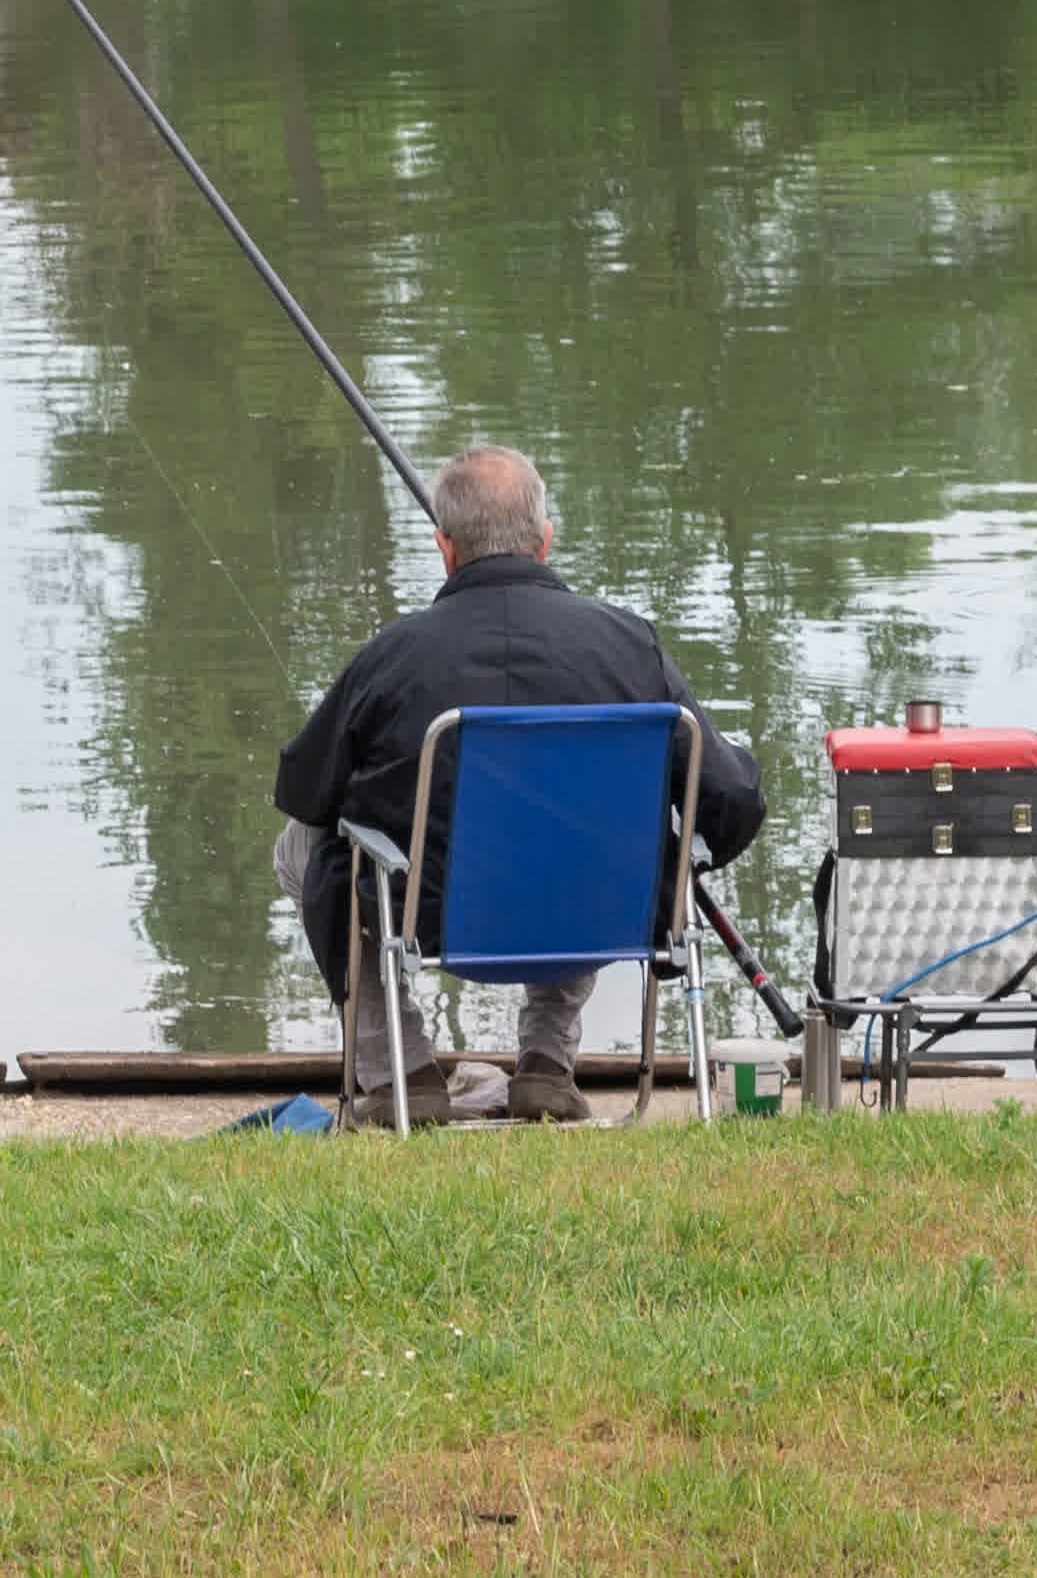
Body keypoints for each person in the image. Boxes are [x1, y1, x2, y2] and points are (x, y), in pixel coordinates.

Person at [273, 445, 763, 1125]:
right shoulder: (628, 645)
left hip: (432, 917)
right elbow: (732, 799)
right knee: (586, 835)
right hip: (596, 911)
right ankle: (545, 1066)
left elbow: (304, 796)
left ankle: (400, 1074)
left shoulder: (394, 653)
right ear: (545, 539)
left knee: (301, 846)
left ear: (444, 547)